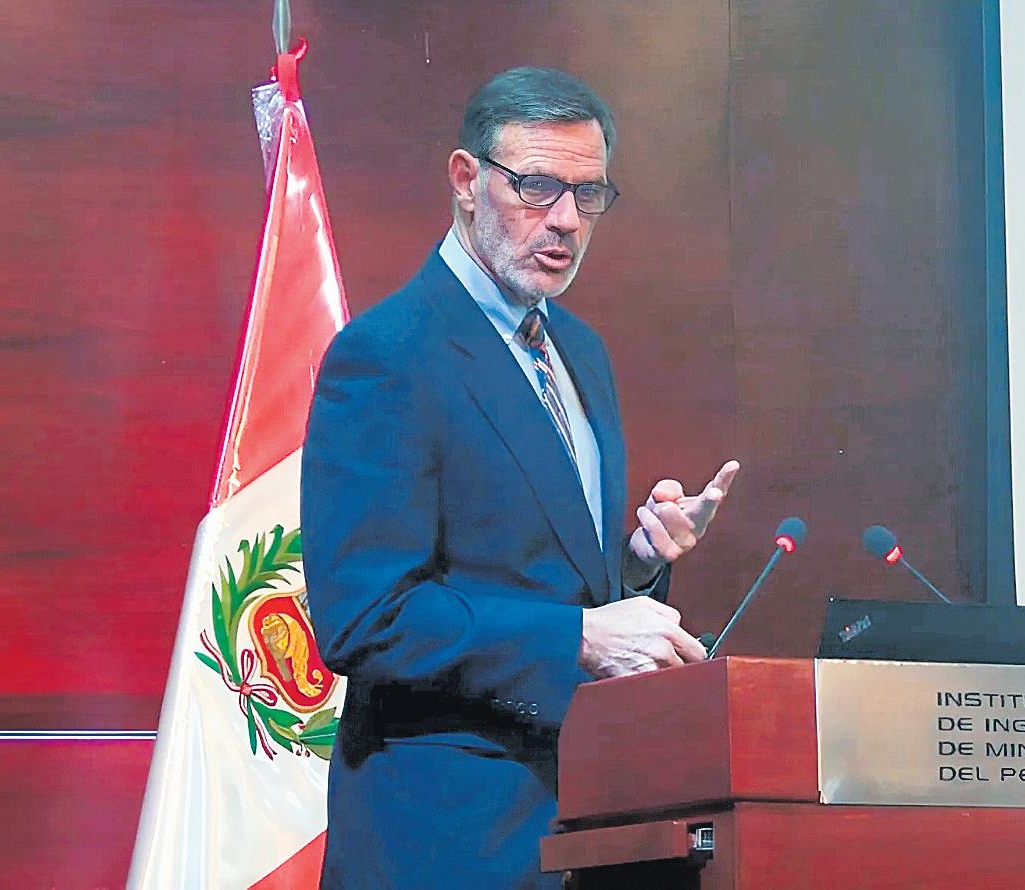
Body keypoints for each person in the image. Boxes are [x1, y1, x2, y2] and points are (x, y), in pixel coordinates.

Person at [301, 66, 739, 889]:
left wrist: (637, 562)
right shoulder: (388, 355)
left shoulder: (580, 350)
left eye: (588, 193)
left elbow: (545, 575)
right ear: (467, 180)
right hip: (446, 842)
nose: (565, 220)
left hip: (592, 823)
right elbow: (366, 617)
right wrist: (580, 639)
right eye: (537, 187)